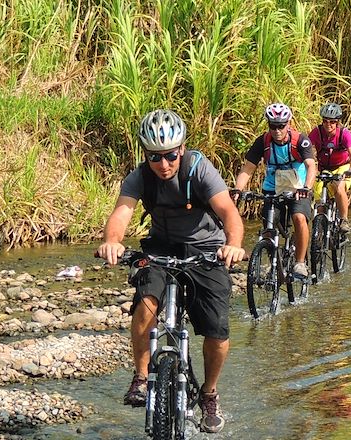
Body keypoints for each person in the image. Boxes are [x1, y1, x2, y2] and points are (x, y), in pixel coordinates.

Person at [96, 109, 245, 434]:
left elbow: (228, 212)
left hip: (206, 249)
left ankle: (209, 394)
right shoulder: (140, 177)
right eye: (155, 157)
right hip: (160, 248)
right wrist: (112, 242)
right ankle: (141, 377)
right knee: (145, 305)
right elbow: (121, 214)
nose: (164, 164)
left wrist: (233, 245)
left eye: (170, 156)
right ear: (145, 154)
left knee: (217, 331)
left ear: (181, 149)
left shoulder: (198, 169)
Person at [232, 103, 317, 276]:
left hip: (298, 188)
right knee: (269, 226)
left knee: (299, 218)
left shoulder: (300, 140)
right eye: (273, 126)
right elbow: (248, 168)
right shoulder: (262, 142)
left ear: (288, 123)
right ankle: (274, 263)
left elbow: (311, 165)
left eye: (281, 126)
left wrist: (307, 187)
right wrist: (238, 190)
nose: (277, 130)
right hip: (272, 188)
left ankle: (300, 262)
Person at [309, 102, 351, 232]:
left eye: (332, 122)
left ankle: (344, 219)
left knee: (338, 187)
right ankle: (320, 228)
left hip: (342, 167)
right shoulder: (316, 132)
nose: (328, 125)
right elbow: (307, 151)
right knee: (318, 197)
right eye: (325, 121)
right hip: (324, 167)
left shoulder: (344, 134)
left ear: (337, 122)